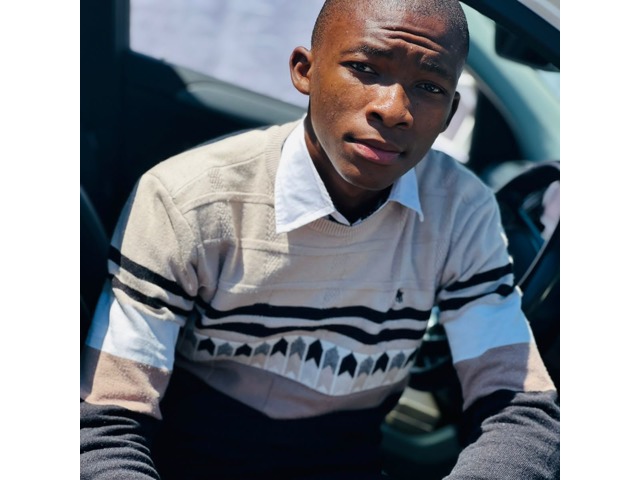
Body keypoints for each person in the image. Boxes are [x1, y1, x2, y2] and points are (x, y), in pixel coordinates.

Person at [80, 0, 560, 478]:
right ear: (304, 71)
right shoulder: (188, 200)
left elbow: (519, 406)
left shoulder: (461, 211)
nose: (394, 110)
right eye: (365, 69)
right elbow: (108, 423)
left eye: (429, 87)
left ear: (451, 111)